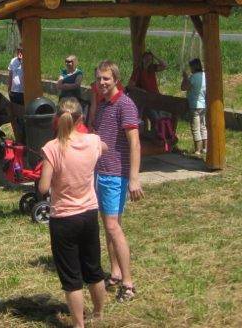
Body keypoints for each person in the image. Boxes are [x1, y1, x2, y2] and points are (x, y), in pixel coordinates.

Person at [38, 103, 108, 328]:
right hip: (89, 214)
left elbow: (43, 187)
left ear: (58, 119)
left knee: (71, 277)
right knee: (94, 269)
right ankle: (98, 314)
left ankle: (79, 324)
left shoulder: (52, 148)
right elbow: (104, 146)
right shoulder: (93, 142)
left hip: (64, 218)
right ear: (81, 120)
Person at [91, 60, 143, 303]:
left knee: (113, 226)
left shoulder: (125, 105)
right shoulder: (101, 105)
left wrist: (133, 178)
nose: (102, 83)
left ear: (116, 80)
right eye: (99, 79)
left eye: (106, 79)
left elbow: (134, 142)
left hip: (115, 175)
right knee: (109, 225)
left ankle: (128, 283)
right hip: (100, 172)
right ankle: (115, 272)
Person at [128, 51, 168, 132]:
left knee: (162, 118)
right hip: (146, 100)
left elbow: (165, 65)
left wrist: (155, 55)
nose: (148, 60)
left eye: (150, 59)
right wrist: (142, 90)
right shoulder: (138, 71)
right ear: (142, 59)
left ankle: (156, 135)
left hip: (156, 97)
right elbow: (130, 86)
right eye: (146, 58)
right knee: (155, 118)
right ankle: (153, 136)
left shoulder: (152, 68)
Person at [181, 58, 207, 156]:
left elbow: (183, 87)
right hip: (204, 104)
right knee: (203, 127)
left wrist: (185, 77)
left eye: (191, 66)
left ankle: (197, 150)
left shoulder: (193, 77)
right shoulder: (205, 75)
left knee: (195, 128)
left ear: (194, 67)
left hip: (194, 105)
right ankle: (205, 148)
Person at [8, 46, 25, 142]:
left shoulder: (27, 61)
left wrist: (23, 61)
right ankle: (18, 136)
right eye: (18, 50)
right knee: (16, 115)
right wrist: (9, 88)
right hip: (14, 91)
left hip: (23, 92)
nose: (19, 52)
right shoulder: (13, 61)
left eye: (21, 50)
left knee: (23, 114)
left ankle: (24, 134)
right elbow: (11, 74)